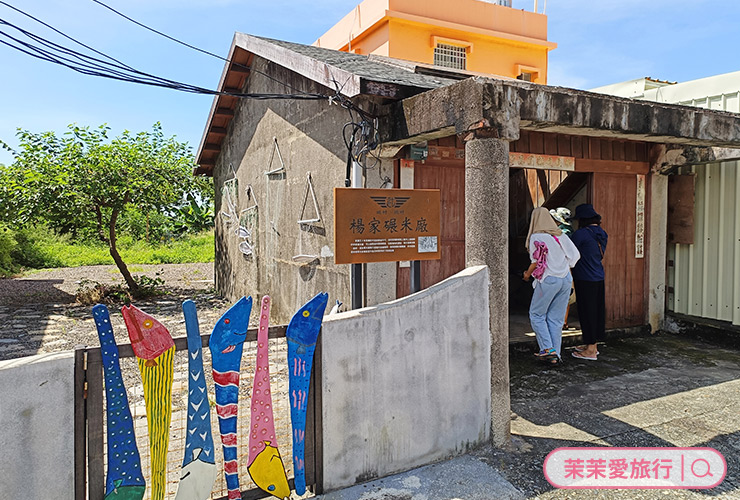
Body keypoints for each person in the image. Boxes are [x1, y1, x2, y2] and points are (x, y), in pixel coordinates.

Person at [523, 207, 580, 365]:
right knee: (556, 319)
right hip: (565, 279)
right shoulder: (560, 235)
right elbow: (575, 256)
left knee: (536, 315)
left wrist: (527, 275)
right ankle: (556, 356)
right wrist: (562, 266)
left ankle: (548, 350)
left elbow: (535, 262)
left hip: (548, 280)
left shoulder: (536, 236)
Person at [569, 203, 608, 361]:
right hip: (598, 276)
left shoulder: (581, 234)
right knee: (597, 312)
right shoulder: (601, 233)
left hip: (584, 278)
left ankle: (590, 349)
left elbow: (569, 251)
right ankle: (593, 345)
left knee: (587, 313)